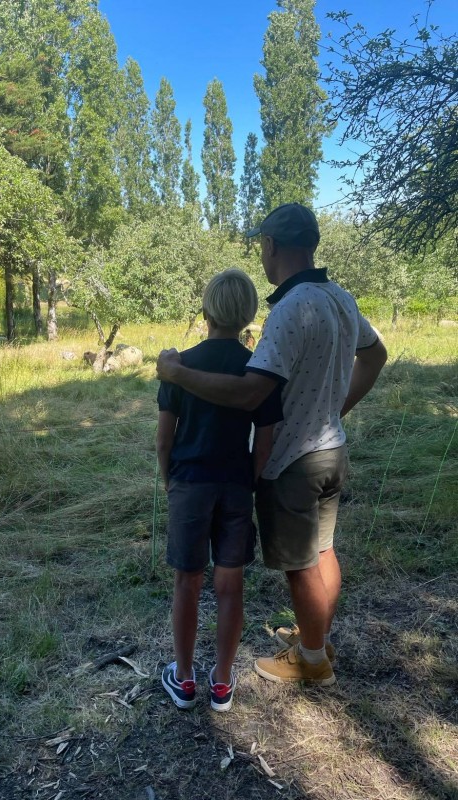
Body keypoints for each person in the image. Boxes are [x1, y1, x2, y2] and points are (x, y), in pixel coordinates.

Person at [157, 203, 387, 686]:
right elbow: (376, 354)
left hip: (296, 459)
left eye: (262, 246)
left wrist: (177, 373)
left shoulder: (290, 309)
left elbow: (250, 393)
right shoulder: (339, 297)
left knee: (301, 564)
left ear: (272, 246)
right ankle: (315, 640)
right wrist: (337, 408)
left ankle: (310, 661)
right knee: (323, 552)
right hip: (332, 449)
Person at [157, 268, 283, 711]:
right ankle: (224, 682)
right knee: (231, 586)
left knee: (186, 582)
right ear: (249, 314)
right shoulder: (258, 370)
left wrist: (169, 478)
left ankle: (185, 678)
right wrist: (248, 479)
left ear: (206, 309)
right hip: (234, 485)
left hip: (189, 483)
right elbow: (264, 440)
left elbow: (164, 437)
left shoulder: (178, 365)